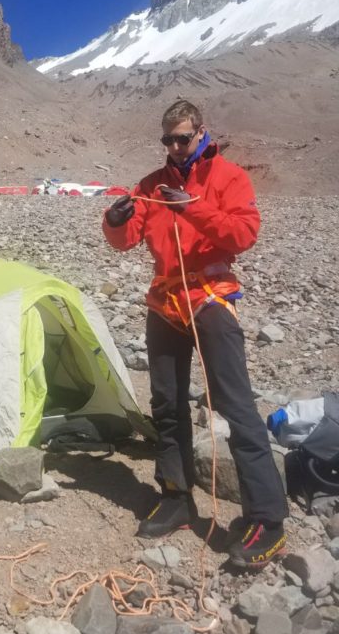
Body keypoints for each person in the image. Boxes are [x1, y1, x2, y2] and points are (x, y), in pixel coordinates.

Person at [102, 99, 287, 569]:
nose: (176, 147)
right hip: (165, 302)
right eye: (168, 140)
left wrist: (194, 210)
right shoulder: (151, 185)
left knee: (235, 405)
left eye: (183, 138)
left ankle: (267, 520)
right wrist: (115, 221)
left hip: (210, 297)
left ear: (202, 132)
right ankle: (176, 496)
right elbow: (125, 241)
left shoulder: (228, 178)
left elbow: (243, 234)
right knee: (166, 403)